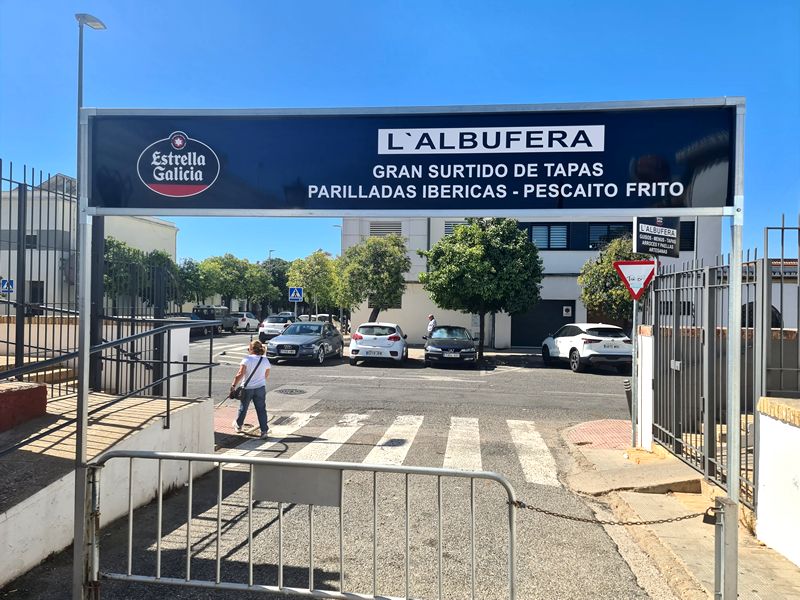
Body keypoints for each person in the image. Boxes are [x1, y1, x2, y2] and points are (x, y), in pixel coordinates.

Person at [230, 339, 271, 438]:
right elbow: (266, 375)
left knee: (243, 407)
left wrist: (233, 385)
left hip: (247, 388)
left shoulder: (247, 359)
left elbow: (240, 374)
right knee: (261, 409)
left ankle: (239, 426)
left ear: (251, 349)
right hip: (260, 388)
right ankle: (264, 431)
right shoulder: (265, 360)